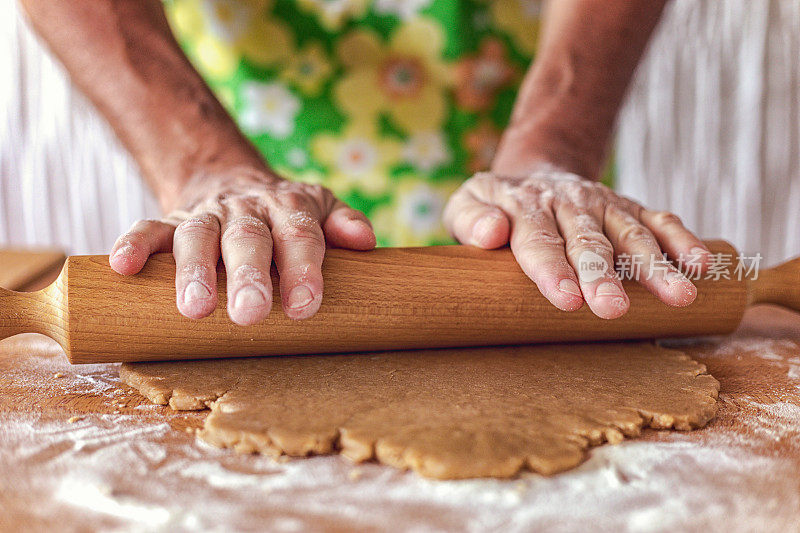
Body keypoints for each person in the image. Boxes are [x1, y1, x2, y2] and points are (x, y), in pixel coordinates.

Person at [16, 0, 709, 326]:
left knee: (563, 268)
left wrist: (554, 148)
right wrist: (205, 165)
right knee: (249, 262)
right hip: (257, 107)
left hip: (516, 104)